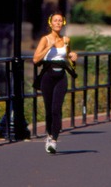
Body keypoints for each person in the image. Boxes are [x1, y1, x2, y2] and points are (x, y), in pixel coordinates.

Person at [33, 12, 78, 154]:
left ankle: (54, 139)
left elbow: (69, 58)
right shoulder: (45, 39)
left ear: (63, 23)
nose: (58, 23)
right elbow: (35, 59)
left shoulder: (66, 40)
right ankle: (49, 134)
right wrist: (49, 47)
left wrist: (73, 57)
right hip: (47, 76)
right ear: (50, 23)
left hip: (61, 77)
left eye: (60, 20)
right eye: (55, 21)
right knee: (48, 109)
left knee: (56, 109)